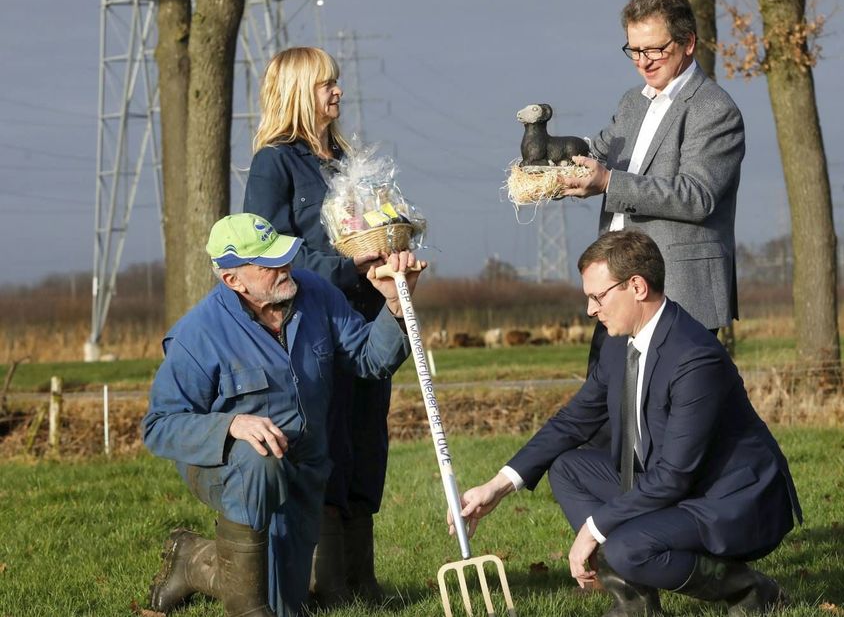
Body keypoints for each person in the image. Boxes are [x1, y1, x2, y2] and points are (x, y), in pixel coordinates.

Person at [453, 230, 801, 617]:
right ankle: (636, 605)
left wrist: (593, 529)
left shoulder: (695, 359)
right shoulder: (619, 343)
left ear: (636, 286)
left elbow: (673, 477)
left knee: (625, 546)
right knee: (568, 468)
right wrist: (497, 487)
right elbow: (572, 421)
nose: (590, 310)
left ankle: (751, 591)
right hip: (676, 484)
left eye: (597, 297)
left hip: (730, 500)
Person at [143, 213, 424, 617]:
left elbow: (370, 360)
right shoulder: (197, 335)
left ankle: (191, 559)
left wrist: (396, 304)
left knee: (285, 602)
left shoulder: (317, 294)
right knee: (257, 460)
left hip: (304, 468)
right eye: (268, 264)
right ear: (233, 281)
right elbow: (159, 426)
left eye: (283, 255)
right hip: (230, 470)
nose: (284, 267)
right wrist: (231, 425)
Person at [242, 46, 392, 606]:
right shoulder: (274, 163)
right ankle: (328, 581)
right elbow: (264, 252)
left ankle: (361, 575)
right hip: (313, 324)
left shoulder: (349, 159)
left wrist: (390, 239)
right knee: (326, 438)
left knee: (366, 435)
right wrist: (346, 265)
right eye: (326, 84)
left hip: (370, 316)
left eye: (338, 82)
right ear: (298, 92)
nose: (339, 92)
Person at [559, 0, 745, 375]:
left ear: (688, 42)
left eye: (655, 49)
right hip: (617, 290)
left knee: (672, 421)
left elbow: (697, 196)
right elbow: (597, 153)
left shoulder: (715, 109)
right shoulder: (632, 102)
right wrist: (548, 164)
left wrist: (609, 182)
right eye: (634, 50)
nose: (643, 61)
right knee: (606, 411)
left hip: (679, 294)